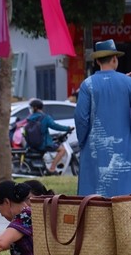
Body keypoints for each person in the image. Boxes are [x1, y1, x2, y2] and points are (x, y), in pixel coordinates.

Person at [74, 39, 131, 197]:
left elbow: (81, 118)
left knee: (94, 199)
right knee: (124, 198)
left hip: (95, 150)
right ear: (115, 59)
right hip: (125, 150)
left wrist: (83, 142)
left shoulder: (87, 84)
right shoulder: (128, 82)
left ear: (97, 60)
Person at [25, 99, 74, 174]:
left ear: (34, 108)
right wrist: (67, 128)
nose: (30, 109)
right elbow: (54, 126)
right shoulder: (45, 117)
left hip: (32, 144)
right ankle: (52, 169)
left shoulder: (30, 118)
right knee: (62, 150)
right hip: (42, 144)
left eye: (31, 107)